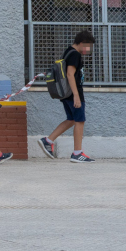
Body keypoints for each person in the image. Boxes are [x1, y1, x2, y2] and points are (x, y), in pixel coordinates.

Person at [38, 29, 95, 162]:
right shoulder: (75, 54)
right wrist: (76, 95)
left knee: (71, 119)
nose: (89, 49)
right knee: (80, 121)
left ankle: (48, 140)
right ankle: (77, 153)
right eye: (88, 46)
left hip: (66, 94)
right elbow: (70, 74)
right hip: (73, 93)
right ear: (82, 43)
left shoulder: (68, 51)